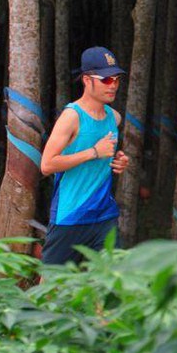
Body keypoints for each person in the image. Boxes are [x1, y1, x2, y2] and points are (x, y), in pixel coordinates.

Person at [37, 46, 129, 265]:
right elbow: (47, 164)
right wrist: (93, 152)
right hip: (71, 215)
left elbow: (108, 156)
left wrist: (119, 161)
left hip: (104, 215)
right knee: (52, 286)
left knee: (114, 282)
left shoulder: (114, 118)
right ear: (87, 80)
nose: (113, 85)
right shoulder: (72, 117)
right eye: (106, 80)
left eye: (116, 79)